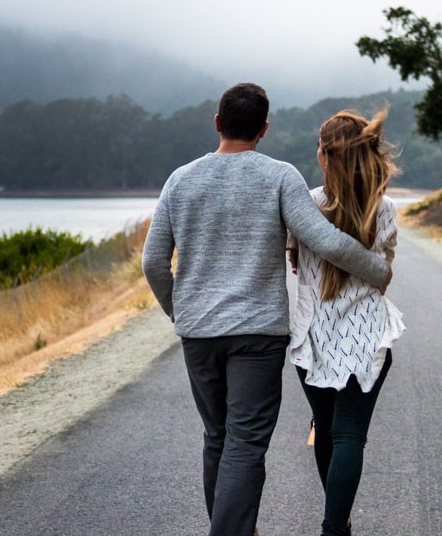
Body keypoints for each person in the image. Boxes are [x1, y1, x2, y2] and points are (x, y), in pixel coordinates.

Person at [141, 83, 392, 536]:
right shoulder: (279, 176)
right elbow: (326, 240)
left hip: (198, 335)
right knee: (244, 443)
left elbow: (152, 261)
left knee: (216, 437)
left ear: (218, 123)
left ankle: (237, 527)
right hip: (257, 336)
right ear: (264, 129)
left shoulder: (180, 179)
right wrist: (377, 270)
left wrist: (179, 312)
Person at [287, 108, 404, 536]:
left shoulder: (306, 206)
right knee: (351, 434)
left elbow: (295, 261)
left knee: (327, 430)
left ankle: (339, 524)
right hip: (367, 339)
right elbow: (385, 271)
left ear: (324, 155)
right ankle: (334, 527)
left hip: (313, 341)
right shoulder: (385, 207)